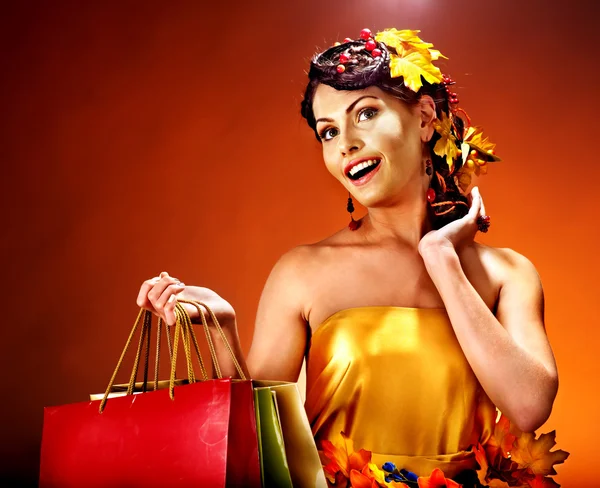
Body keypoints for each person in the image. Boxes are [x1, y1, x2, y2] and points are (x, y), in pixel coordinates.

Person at [135, 28, 561, 486]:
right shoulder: (302, 271)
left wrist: (441, 259)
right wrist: (219, 328)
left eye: (367, 114)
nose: (345, 144)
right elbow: (259, 439)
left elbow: (528, 406)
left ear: (424, 118)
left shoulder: (507, 273)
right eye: (329, 131)